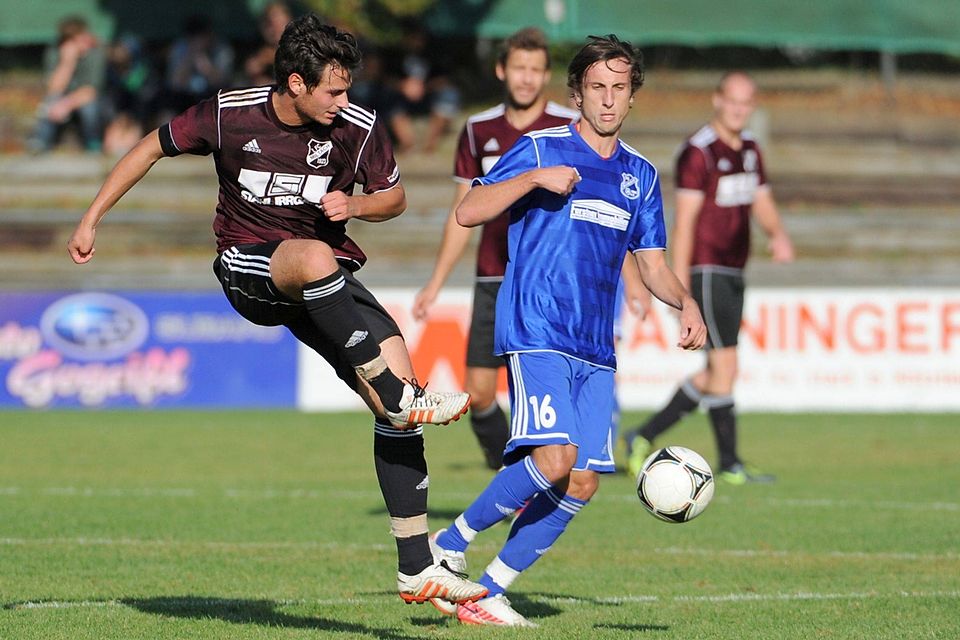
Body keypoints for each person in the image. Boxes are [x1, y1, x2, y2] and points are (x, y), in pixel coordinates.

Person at [66, 13, 485, 608]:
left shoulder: (356, 127)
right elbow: (148, 147)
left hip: (323, 285)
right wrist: (91, 218)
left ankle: (416, 567)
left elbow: (396, 197)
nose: (345, 101)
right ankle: (392, 389)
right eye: (333, 90)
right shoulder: (229, 112)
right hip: (249, 268)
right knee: (318, 263)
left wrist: (358, 205)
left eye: (347, 89)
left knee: (399, 407)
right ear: (295, 82)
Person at [427, 35, 706, 626]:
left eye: (619, 88)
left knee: (581, 481)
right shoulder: (539, 149)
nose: (608, 100)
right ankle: (447, 546)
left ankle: (488, 592)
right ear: (577, 92)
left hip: (595, 345)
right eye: (597, 87)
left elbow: (652, 264)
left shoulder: (641, 175)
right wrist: (532, 181)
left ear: (632, 98)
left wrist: (687, 304)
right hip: (537, 324)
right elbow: (468, 211)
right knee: (554, 459)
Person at [412, 27, 579, 471]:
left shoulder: (568, 128)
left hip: (546, 281)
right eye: (519, 68)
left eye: (536, 70)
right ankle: (512, 476)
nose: (526, 78)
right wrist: (436, 283)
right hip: (493, 277)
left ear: (546, 76)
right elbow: (461, 212)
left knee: (540, 395)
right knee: (480, 394)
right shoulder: (477, 129)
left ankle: (532, 488)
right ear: (502, 70)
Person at [622, 71, 795, 485]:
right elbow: (684, 223)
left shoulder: (750, 149)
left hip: (735, 270)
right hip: (705, 271)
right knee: (725, 366)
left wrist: (778, 234)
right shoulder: (698, 152)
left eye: (745, 102)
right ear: (718, 100)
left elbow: (762, 200)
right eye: (732, 100)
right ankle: (730, 462)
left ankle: (641, 434)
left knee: (717, 373)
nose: (738, 109)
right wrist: (680, 291)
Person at [29, 16, 106, 153]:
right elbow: (53, 89)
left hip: (90, 100)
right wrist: (67, 62)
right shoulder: (55, 52)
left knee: (89, 108)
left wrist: (65, 104)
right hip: (63, 99)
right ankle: (41, 143)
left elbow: (90, 91)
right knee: (50, 101)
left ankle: (93, 143)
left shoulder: (96, 53)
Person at [244, 1, 293, 86]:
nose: (275, 30)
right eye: (270, 25)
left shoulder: (301, 48)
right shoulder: (256, 49)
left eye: (280, 24)